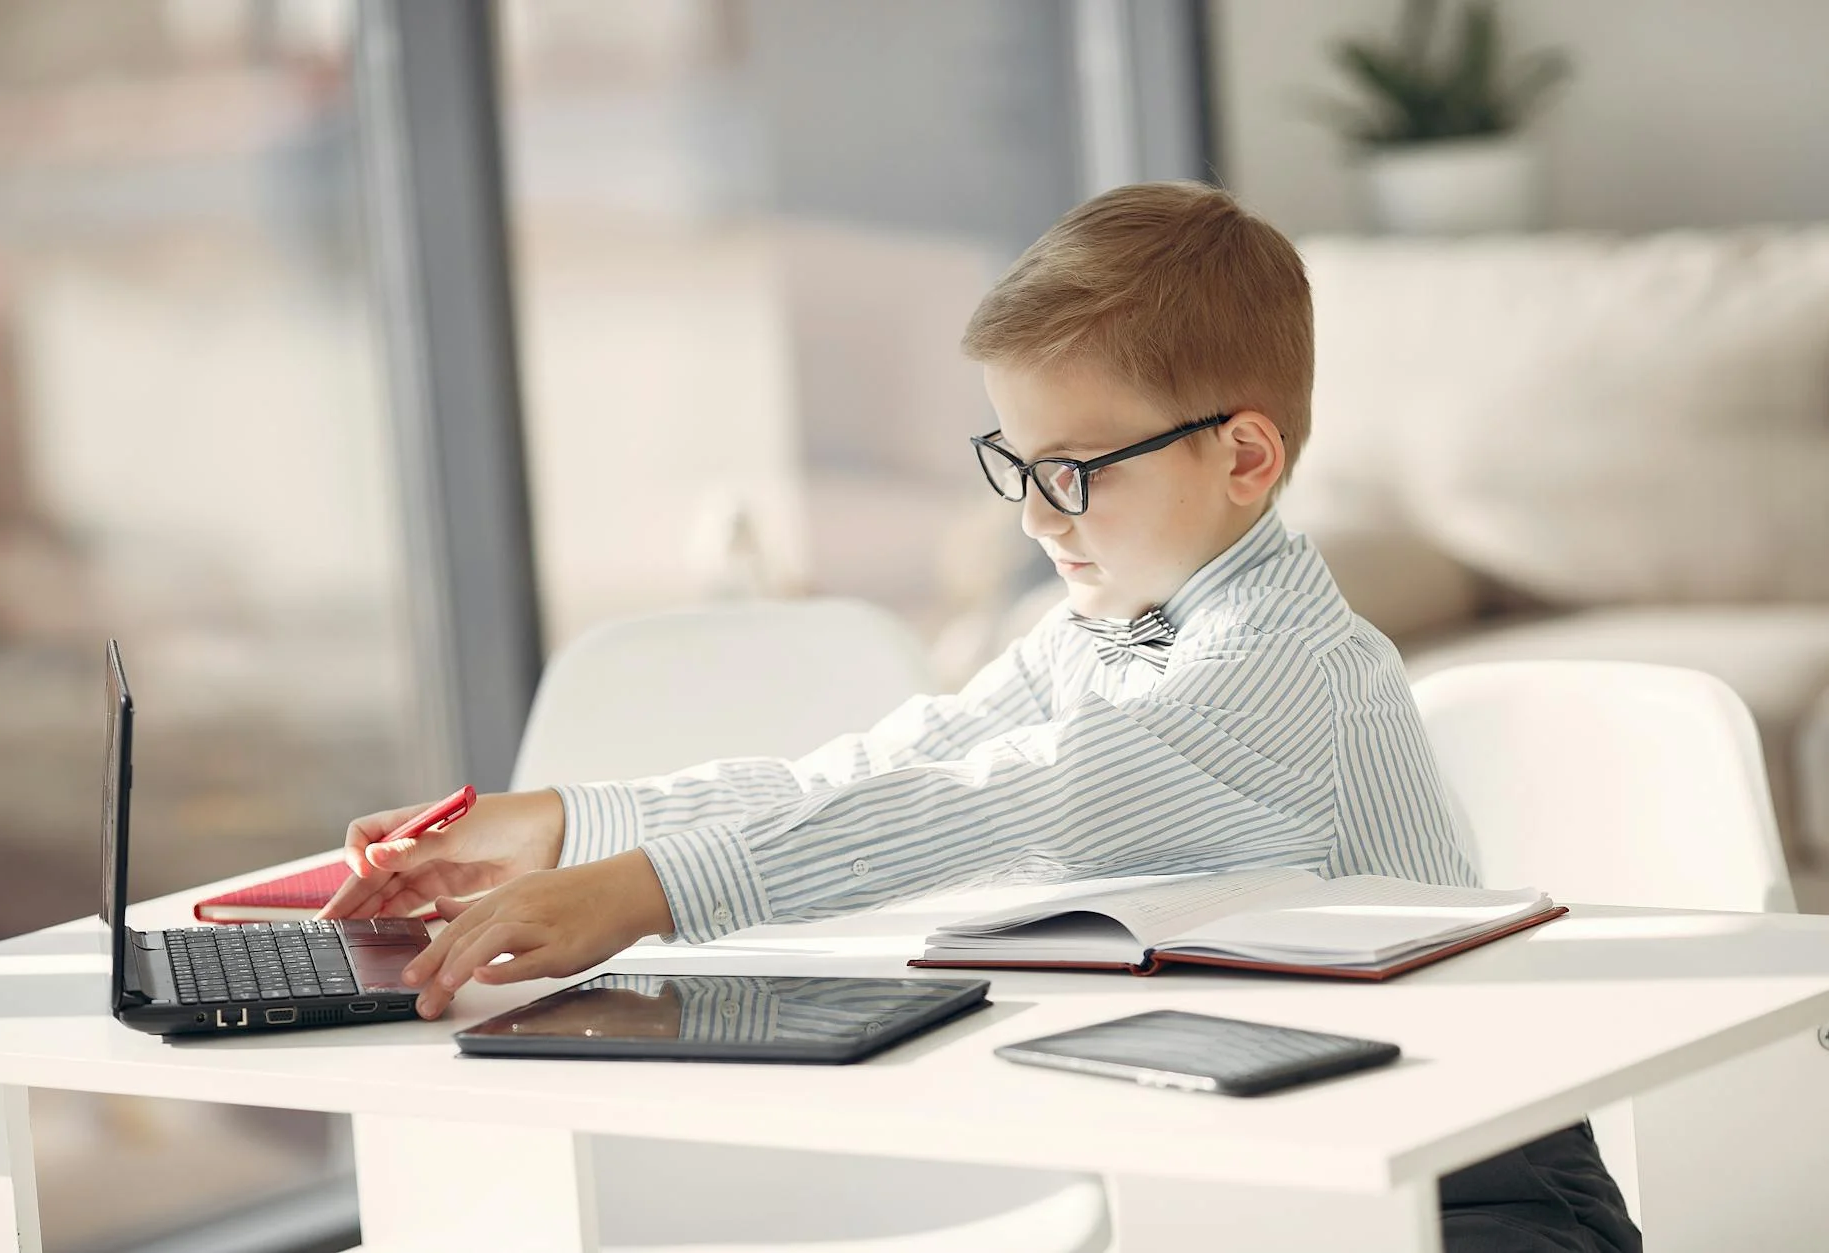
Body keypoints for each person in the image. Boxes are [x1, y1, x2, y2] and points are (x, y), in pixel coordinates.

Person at [321, 182, 1638, 1252]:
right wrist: (559, 822)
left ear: (1243, 457)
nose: (1030, 516)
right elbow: (894, 760)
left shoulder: (1280, 668)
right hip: (1269, 1174)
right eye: (1014, 464)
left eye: (1068, 472)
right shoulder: (1097, 635)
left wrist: (650, 891)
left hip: (1474, 1198)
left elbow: (1005, 802)